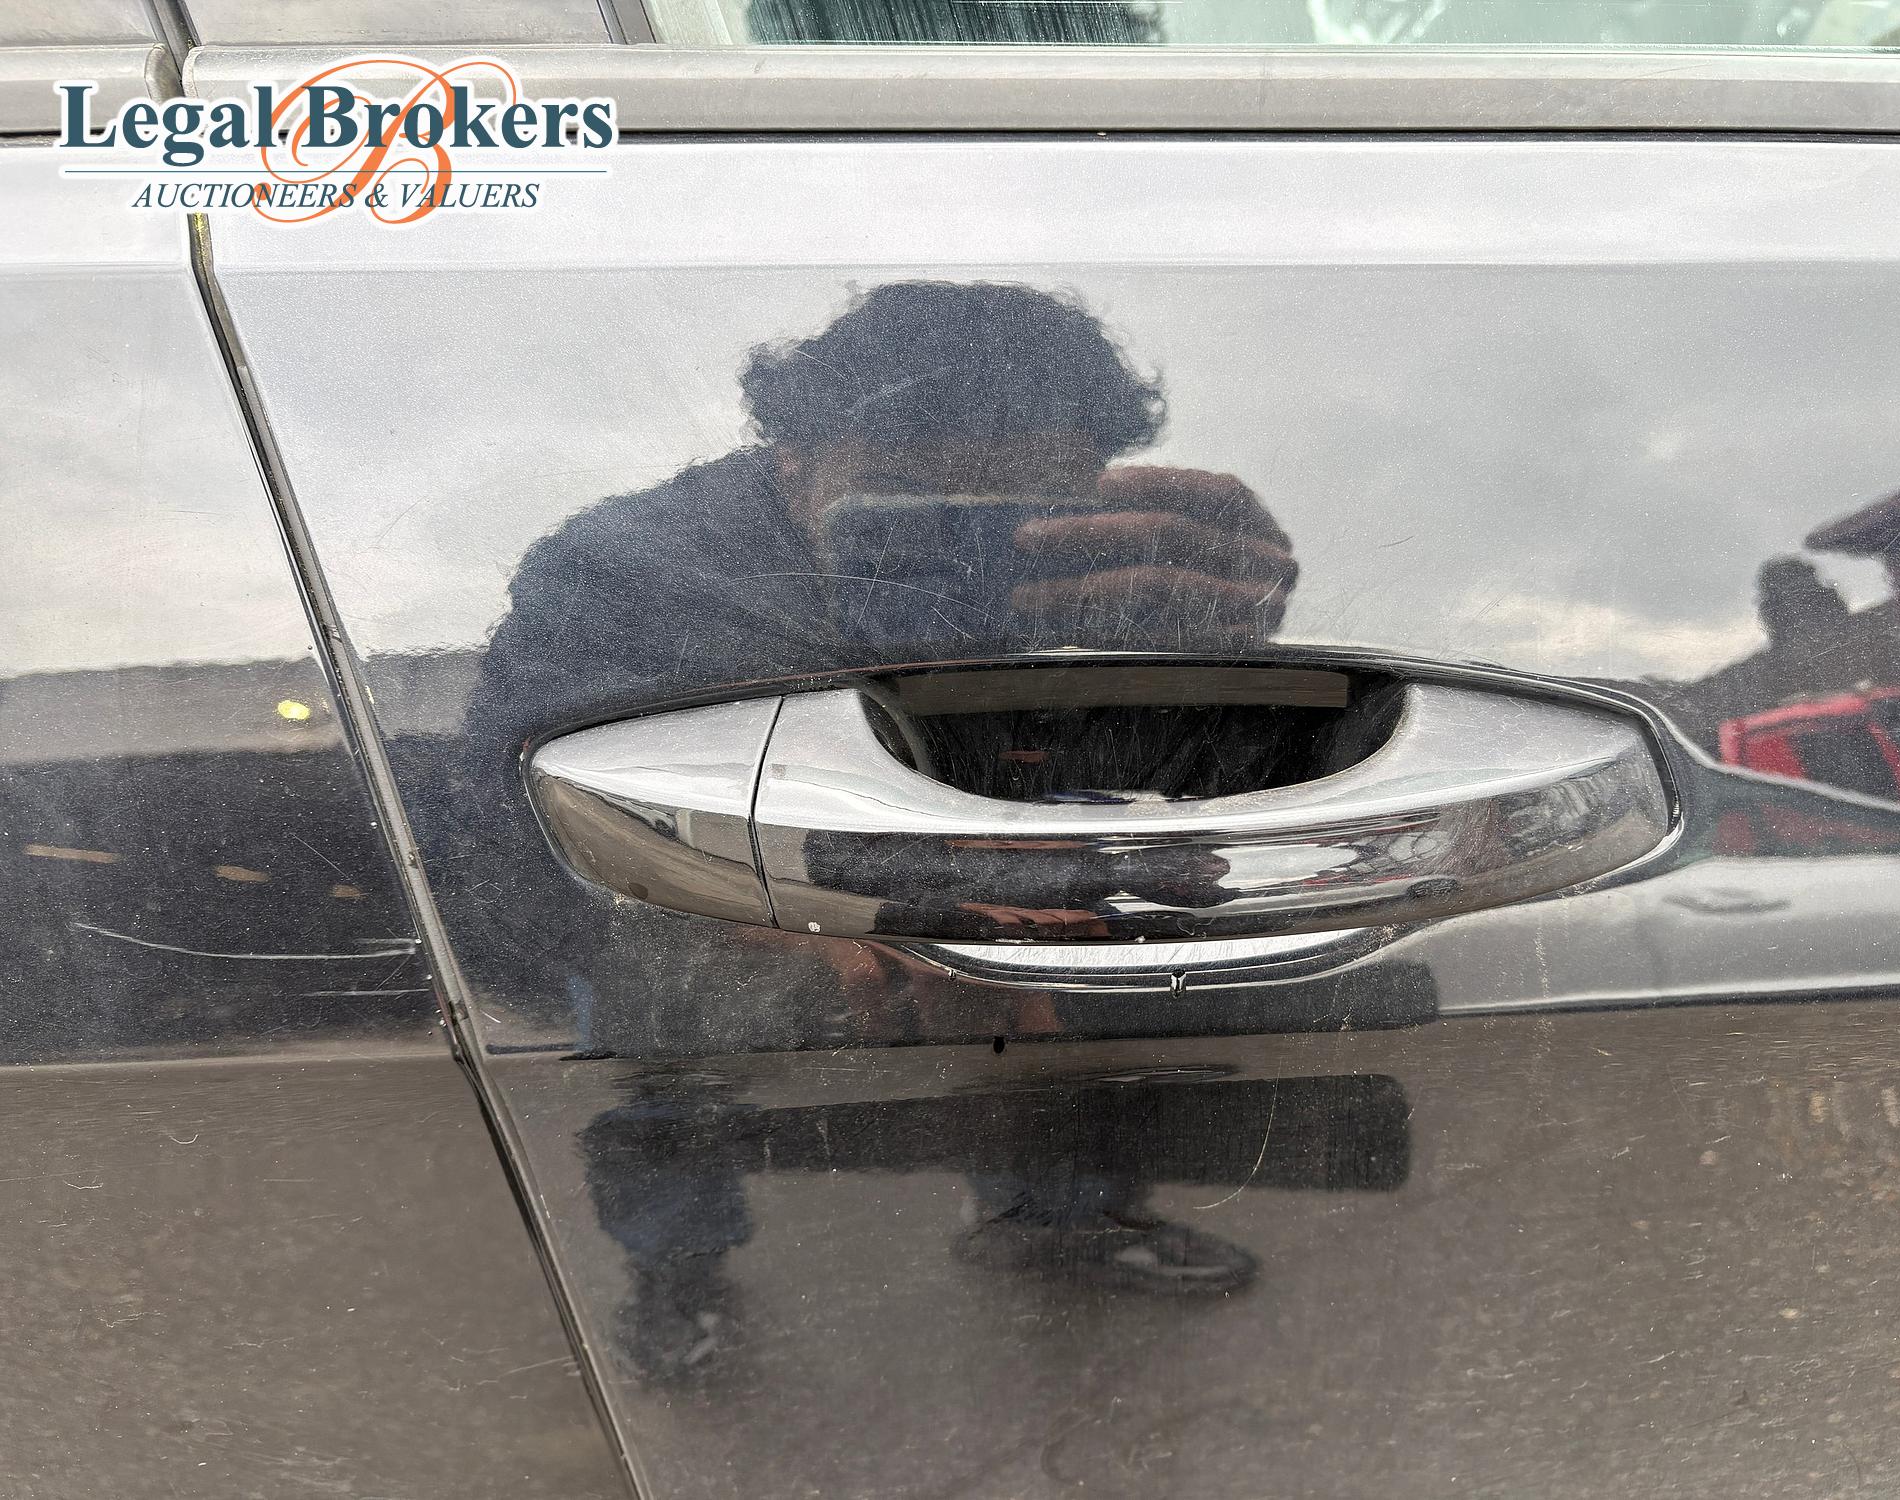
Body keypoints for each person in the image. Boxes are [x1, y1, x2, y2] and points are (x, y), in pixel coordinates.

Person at [462, 281, 1299, 1379]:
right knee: (656, 1053)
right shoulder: (622, 566)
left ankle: (1061, 1214)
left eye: (1026, 504)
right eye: (908, 504)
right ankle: (677, 1271)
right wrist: (770, 912)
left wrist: (1220, 632)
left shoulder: (1110, 553)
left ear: (1091, 477)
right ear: (795, 458)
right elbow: (513, 802)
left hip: (983, 851)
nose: (965, 550)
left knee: (1042, 1019)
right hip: (705, 883)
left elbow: (1138, 752)